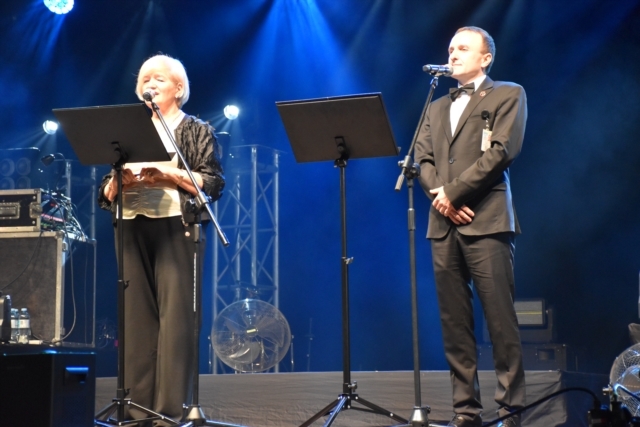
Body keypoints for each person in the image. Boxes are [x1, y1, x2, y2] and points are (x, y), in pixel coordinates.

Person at [98, 54, 225, 424]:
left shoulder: (195, 129)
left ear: (178, 88)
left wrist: (169, 176)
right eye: (144, 80)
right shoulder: (127, 130)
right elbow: (105, 189)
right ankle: (137, 411)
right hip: (130, 224)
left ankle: (168, 412)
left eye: (158, 79)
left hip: (175, 225)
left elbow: (212, 182)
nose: (149, 84)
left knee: (176, 320)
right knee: (136, 320)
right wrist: (116, 183)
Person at [414, 27, 527, 427]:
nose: (453, 54)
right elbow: (421, 160)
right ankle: (466, 410)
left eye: (463, 48)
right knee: (454, 323)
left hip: (487, 220)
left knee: (500, 319)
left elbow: (502, 151)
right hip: (443, 224)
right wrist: (442, 199)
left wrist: (454, 193)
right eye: (450, 48)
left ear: (485, 58)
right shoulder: (435, 105)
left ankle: (511, 410)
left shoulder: (508, 93)